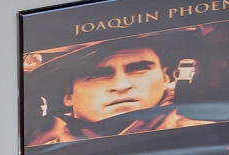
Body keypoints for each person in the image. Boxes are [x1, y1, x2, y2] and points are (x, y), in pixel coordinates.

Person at [28, 34, 209, 145]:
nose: (121, 85)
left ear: (165, 77)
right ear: (68, 95)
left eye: (139, 69)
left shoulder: (205, 140)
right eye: (98, 75)